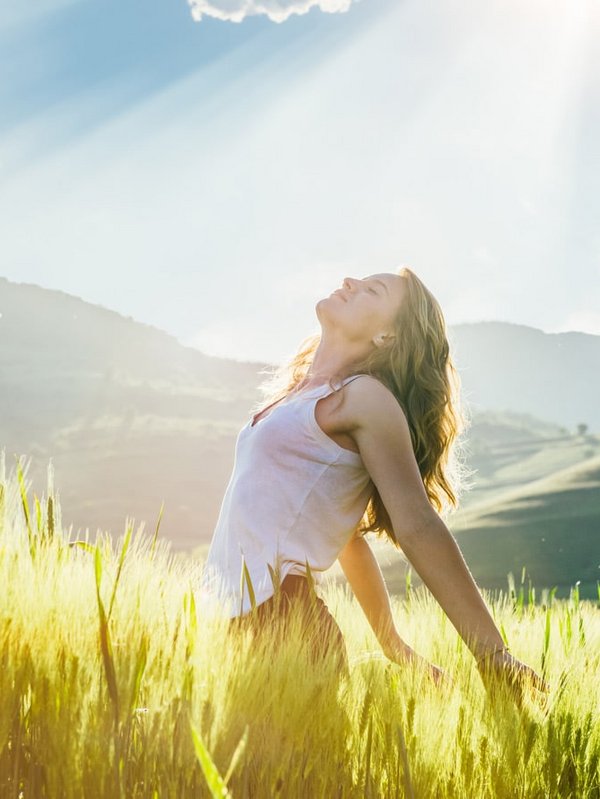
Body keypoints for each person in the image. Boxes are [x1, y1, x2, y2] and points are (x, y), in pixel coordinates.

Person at [200, 267, 550, 704]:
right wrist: (391, 641)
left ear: (387, 336)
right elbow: (346, 537)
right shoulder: (298, 395)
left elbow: (418, 524)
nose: (350, 282)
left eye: (373, 290)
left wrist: (492, 652)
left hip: (282, 628)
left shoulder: (364, 398)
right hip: (227, 624)